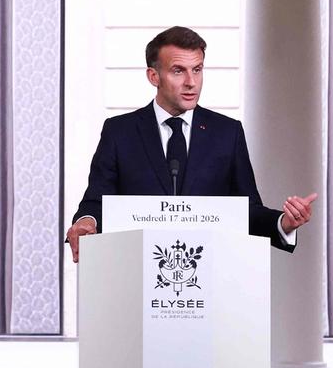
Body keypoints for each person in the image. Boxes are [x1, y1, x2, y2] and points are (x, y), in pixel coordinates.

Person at [66, 26, 316, 262]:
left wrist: (283, 223)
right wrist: (86, 223)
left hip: (209, 280)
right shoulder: (119, 131)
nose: (191, 82)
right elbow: (96, 202)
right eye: (178, 71)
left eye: (197, 69)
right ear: (154, 76)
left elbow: (246, 210)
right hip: (134, 276)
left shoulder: (227, 133)